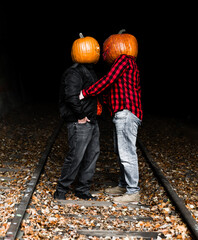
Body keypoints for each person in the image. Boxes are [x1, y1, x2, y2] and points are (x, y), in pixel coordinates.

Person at [80, 53, 143, 203]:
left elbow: (108, 80)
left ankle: (133, 192)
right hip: (122, 113)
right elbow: (111, 90)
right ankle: (123, 185)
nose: (106, 52)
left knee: (127, 153)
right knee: (121, 151)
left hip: (126, 112)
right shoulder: (127, 66)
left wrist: (85, 93)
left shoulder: (124, 59)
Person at [54, 35, 100, 200]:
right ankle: (61, 191)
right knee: (76, 156)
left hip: (91, 121)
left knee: (92, 154)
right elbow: (71, 97)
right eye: (93, 48)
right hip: (79, 121)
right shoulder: (74, 72)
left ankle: (82, 189)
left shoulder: (89, 70)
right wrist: (81, 116)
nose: (96, 50)